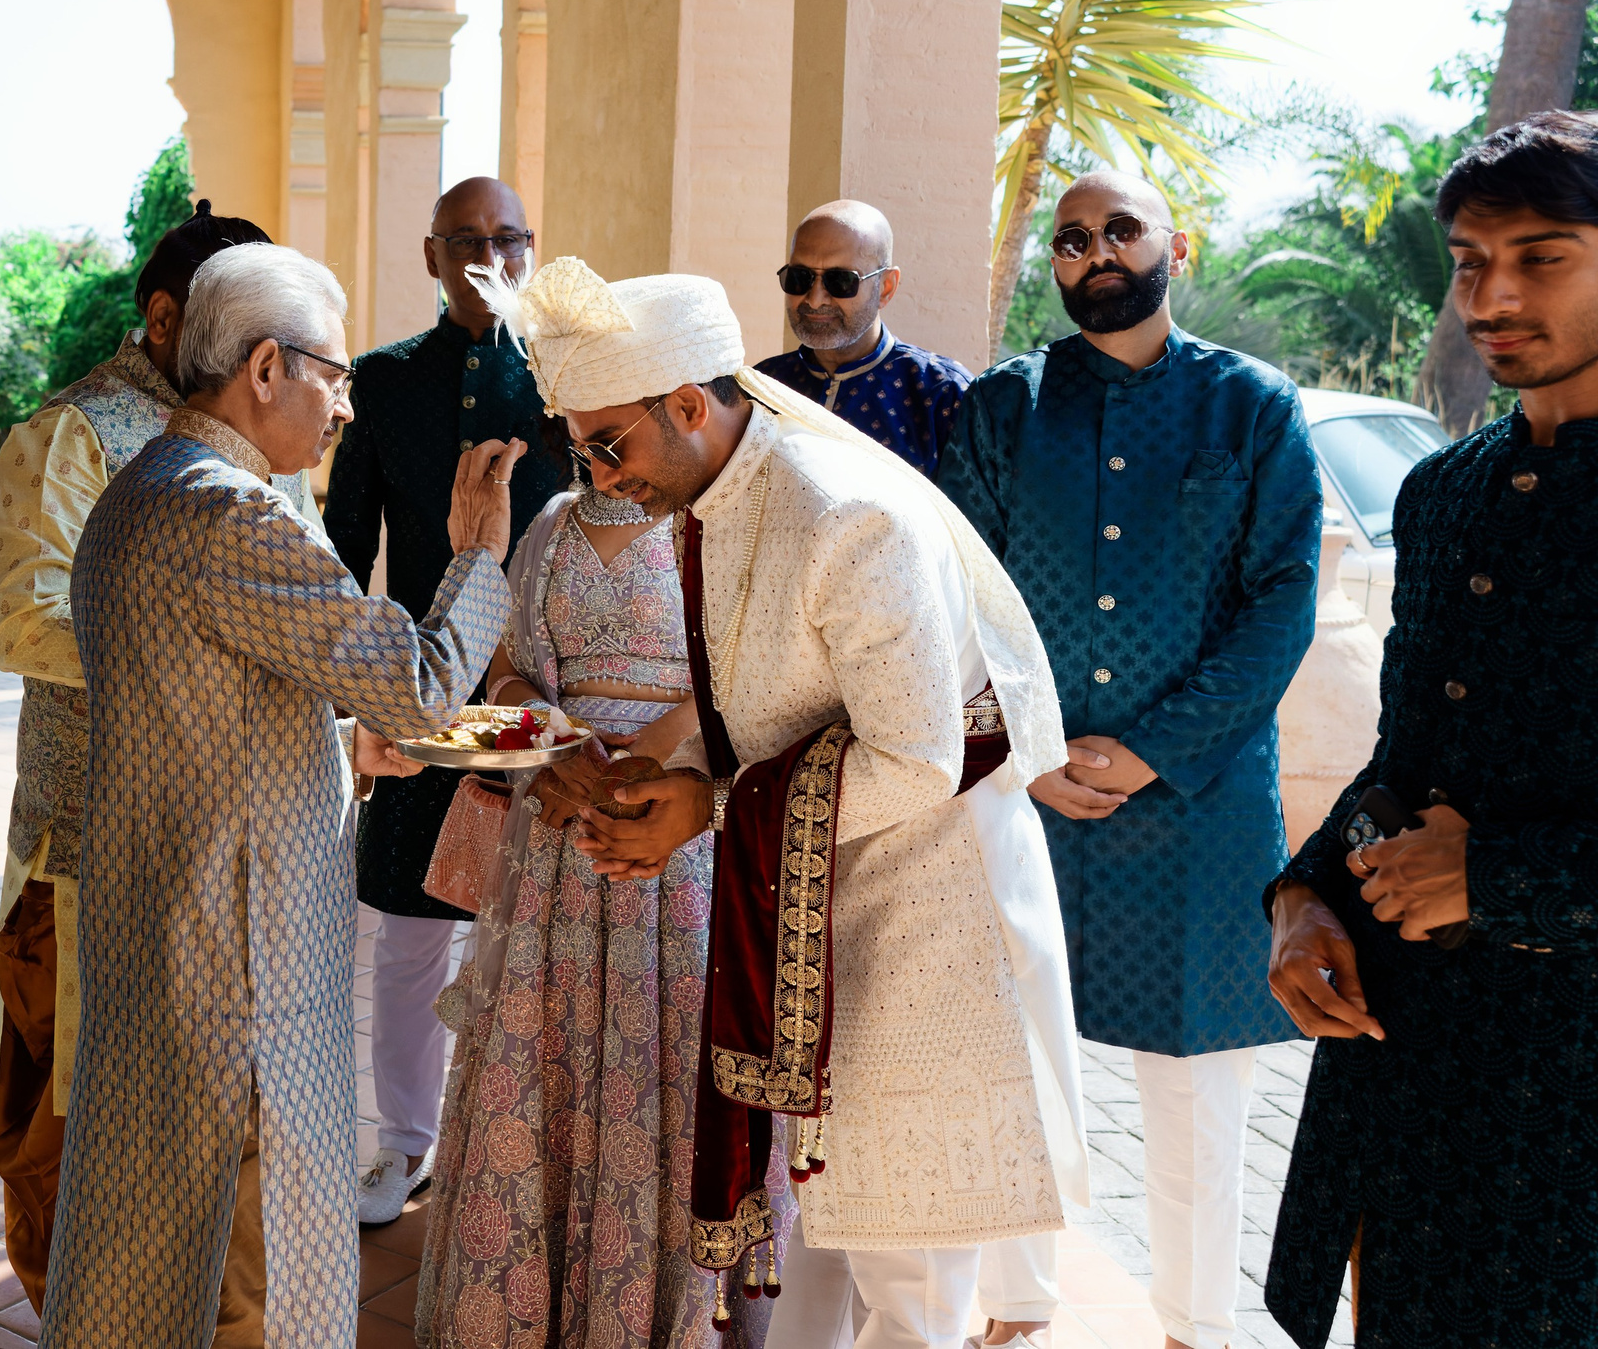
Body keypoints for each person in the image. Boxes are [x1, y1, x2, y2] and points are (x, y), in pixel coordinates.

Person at [490, 257, 1086, 1349]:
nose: (601, 477)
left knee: (911, 1259)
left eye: (610, 444)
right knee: (821, 1225)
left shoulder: (845, 519)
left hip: (926, 899)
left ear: (687, 404)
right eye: (582, 452)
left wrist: (704, 810)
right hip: (816, 890)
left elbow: (915, 761)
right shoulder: (714, 494)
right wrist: (662, 782)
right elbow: (754, 705)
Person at [41, 244, 522, 1349]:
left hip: (171, 949)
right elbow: (418, 686)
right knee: (253, 1272)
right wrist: (477, 559)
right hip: (239, 979)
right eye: (334, 376)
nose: (344, 406)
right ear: (266, 367)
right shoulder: (229, 514)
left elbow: (200, 711)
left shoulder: (142, 493)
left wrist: (339, 748)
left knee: (153, 1256)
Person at [937, 170, 1320, 1349]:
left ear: (1174, 248)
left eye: (1118, 230)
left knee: (1199, 1092)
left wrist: (1152, 751)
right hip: (1028, 799)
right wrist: (1023, 750)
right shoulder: (1004, 407)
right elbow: (960, 593)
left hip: (1196, 810)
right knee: (1013, 1063)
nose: (1092, 252)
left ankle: (1194, 1324)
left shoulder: (1252, 408)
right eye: (1068, 240)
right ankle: (1016, 1303)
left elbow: (1280, 604)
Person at [1262, 111, 1598, 1349]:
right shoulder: (1446, 490)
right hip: (1409, 1071)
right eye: (1468, 260)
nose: (1492, 293)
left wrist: (1493, 878)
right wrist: (1303, 901)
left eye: (1542, 255)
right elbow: (1404, 762)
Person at [0, 199, 285, 1313]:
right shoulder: (74, 433)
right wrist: (195, 653)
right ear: (164, 320)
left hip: (236, 844)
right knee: (66, 1131)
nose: (266, 354)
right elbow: (23, 621)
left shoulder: (269, 428)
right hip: (91, 848)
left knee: (227, 1123)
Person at [411, 457, 745, 1347]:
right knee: (545, 1044)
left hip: (669, 827)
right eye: (581, 429)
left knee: (660, 1055)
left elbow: (742, 677)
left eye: (610, 427)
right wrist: (561, 746)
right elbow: (509, 672)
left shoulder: (717, 518)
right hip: (556, 827)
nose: (596, 451)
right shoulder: (552, 522)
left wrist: (636, 761)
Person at [323, 176, 567, 1223]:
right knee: (413, 928)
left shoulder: (568, 378)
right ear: (429, 257)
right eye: (464, 240)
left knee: (541, 925)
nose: (487, 257)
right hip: (426, 696)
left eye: (507, 239)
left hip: (549, 696)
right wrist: (348, 692)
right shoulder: (380, 383)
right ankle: (404, 1146)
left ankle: (521, 1145)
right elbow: (341, 550)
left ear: (529, 250)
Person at [753, 200, 973, 478]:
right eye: (800, 277)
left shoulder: (942, 394)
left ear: (886, 287)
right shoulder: (761, 387)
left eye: (841, 281)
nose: (816, 298)